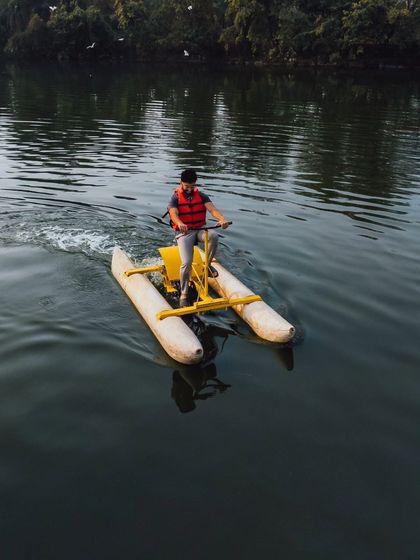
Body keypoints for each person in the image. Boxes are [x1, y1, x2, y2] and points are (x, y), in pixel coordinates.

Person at [168, 169, 229, 307]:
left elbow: (212, 209)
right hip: (184, 232)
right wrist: (180, 223)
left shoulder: (201, 196)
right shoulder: (175, 198)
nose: (189, 189)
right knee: (187, 263)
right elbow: (173, 214)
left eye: (192, 186)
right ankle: (183, 294)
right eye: (186, 186)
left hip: (200, 229)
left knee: (214, 236)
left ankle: (206, 266)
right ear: (181, 183)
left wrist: (222, 219)